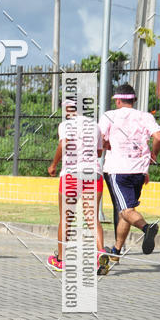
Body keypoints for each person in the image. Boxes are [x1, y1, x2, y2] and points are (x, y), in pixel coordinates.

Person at [99, 83, 160, 262]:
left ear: (118, 100)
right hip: (139, 170)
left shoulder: (109, 116)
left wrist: (105, 145)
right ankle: (117, 250)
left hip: (117, 170)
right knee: (128, 210)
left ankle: (146, 228)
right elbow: (158, 136)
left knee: (125, 210)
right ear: (133, 100)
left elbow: (101, 139)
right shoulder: (145, 116)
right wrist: (154, 155)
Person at [47, 100, 109, 275]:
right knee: (92, 219)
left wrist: (53, 165)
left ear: (69, 108)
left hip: (72, 174)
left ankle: (60, 260)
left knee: (66, 219)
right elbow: (98, 153)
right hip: (93, 174)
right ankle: (101, 254)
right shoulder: (95, 126)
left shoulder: (66, 125)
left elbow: (63, 144)